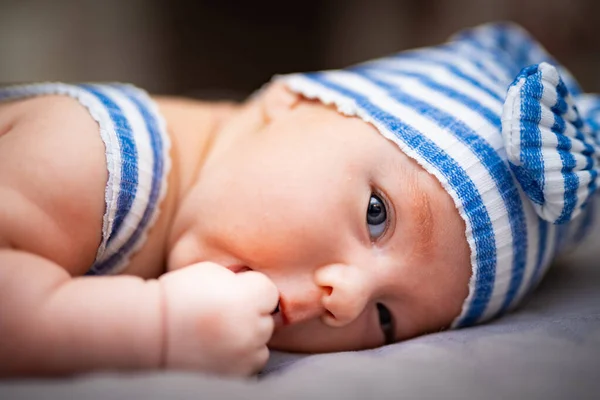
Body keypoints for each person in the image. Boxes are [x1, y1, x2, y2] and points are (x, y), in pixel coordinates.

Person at [1, 22, 598, 377]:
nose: (348, 300)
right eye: (376, 214)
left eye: (387, 320)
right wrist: (155, 330)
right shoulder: (96, 159)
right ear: (297, 101)